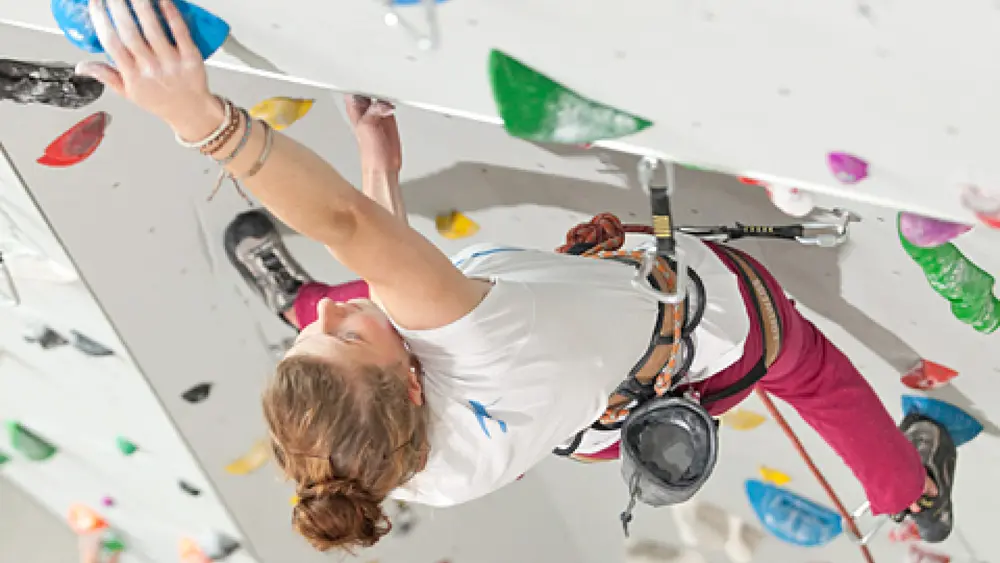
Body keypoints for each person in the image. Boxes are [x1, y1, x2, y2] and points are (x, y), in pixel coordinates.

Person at [78, 0, 957, 552]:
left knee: (357, 291)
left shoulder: (408, 472)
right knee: (811, 369)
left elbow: (380, 265)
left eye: (311, 330)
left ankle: (287, 286)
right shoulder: (469, 339)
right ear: (413, 384)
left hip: (604, 413)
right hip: (721, 329)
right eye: (339, 332)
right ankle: (913, 496)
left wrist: (376, 165)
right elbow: (349, 230)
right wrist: (200, 120)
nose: (330, 322)